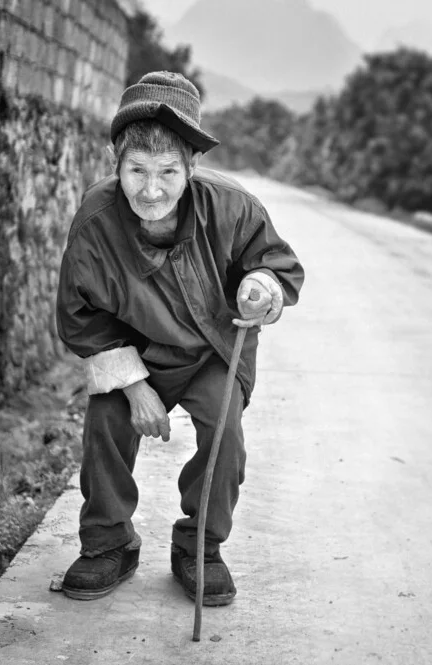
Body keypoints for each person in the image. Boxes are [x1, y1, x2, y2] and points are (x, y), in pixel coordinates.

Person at [55, 71, 304, 606]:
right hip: (135, 354)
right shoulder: (96, 221)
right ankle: (108, 543)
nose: (151, 189)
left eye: (168, 171)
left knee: (223, 430)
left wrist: (261, 288)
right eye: (136, 170)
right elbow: (79, 317)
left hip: (214, 351)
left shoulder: (233, 206)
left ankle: (199, 548)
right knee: (106, 422)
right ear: (116, 164)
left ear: (191, 168)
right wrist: (134, 387)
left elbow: (276, 265)